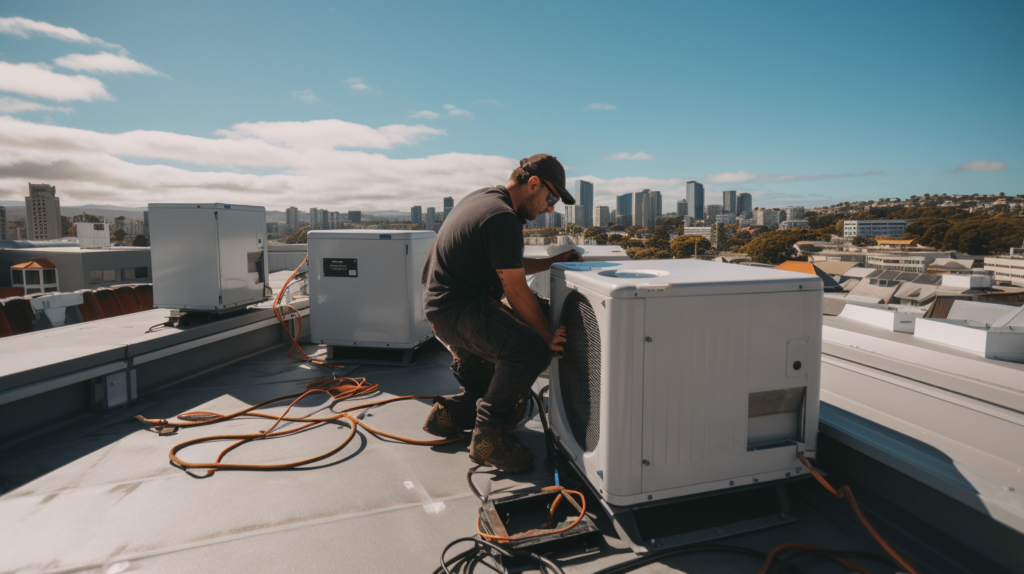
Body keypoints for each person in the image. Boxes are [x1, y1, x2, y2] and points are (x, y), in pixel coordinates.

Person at [420, 154, 583, 473]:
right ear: (533, 184)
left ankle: (451, 414)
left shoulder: (486, 199)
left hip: (447, 306)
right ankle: (488, 438)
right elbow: (515, 289)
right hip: (458, 309)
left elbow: (508, 265)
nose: (549, 208)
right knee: (529, 348)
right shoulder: (502, 217)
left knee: (490, 386)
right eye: (550, 198)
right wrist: (547, 335)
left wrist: (552, 262)